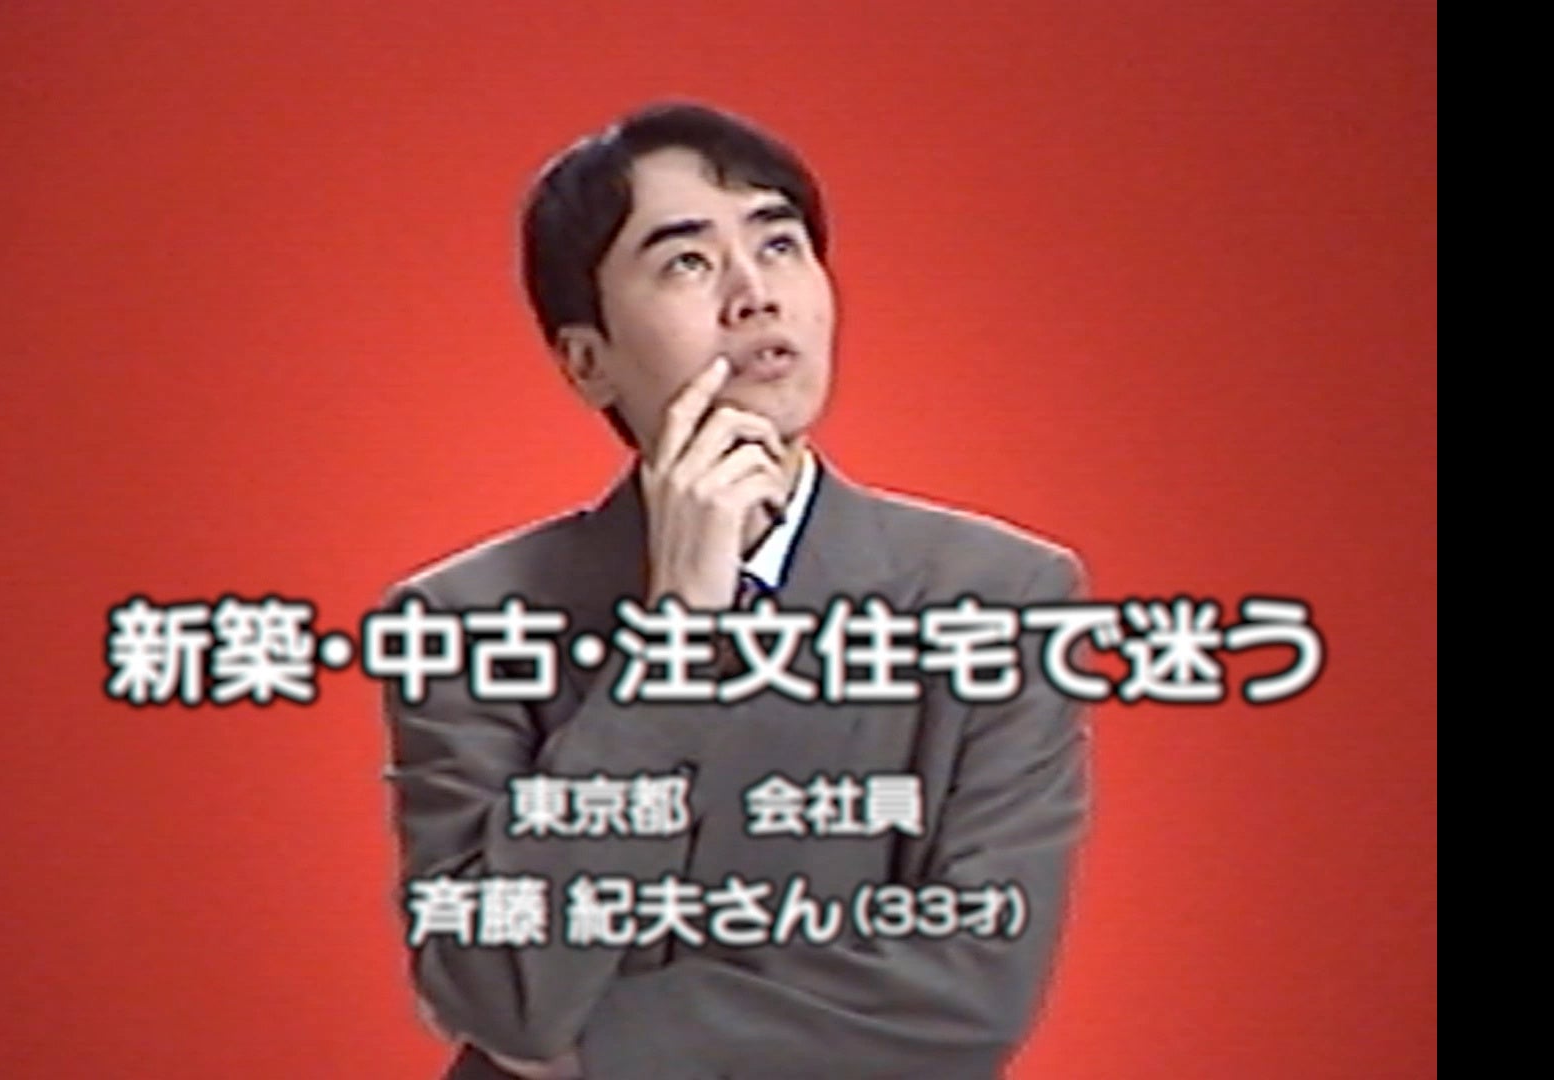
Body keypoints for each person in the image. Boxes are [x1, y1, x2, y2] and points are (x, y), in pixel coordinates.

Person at [382, 101, 1089, 1080]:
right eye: (686, 262)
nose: (755, 294)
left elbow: (976, 983)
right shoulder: (466, 621)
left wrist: (602, 1050)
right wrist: (675, 632)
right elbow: (502, 987)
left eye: (780, 245)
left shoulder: (1002, 597)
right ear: (587, 360)